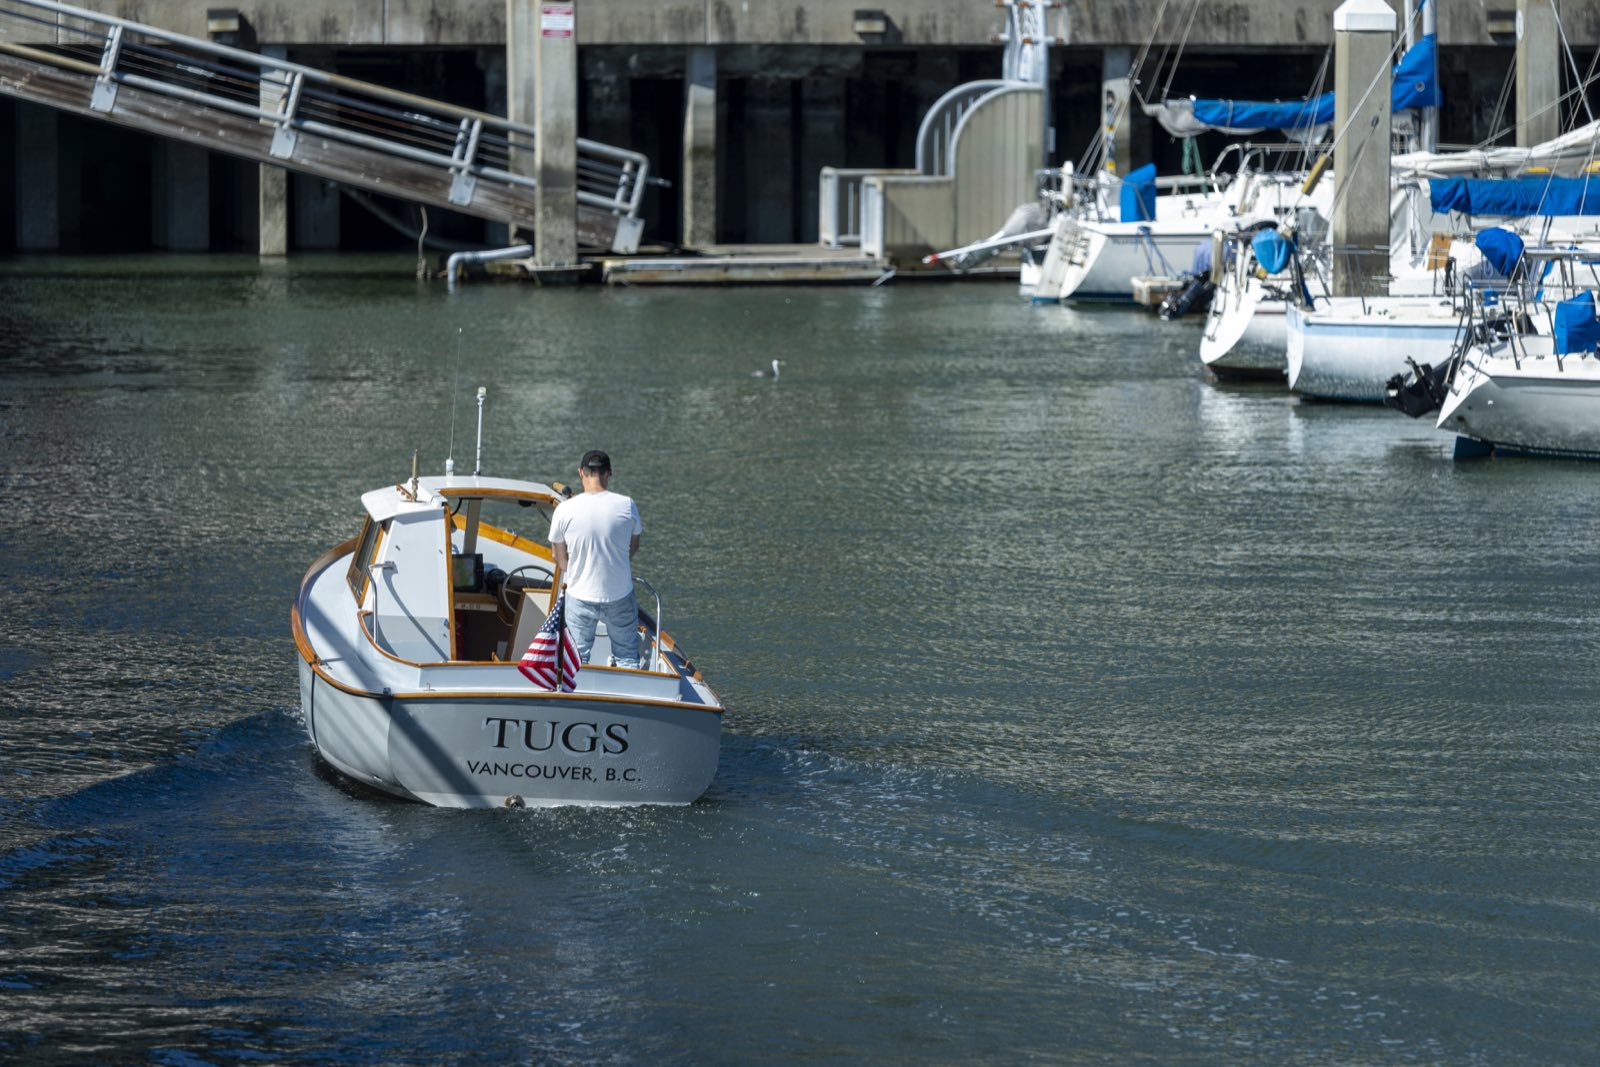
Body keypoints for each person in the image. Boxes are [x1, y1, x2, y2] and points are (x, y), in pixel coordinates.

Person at [547, 449, 643, 669]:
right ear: (608, 473)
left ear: (581, 473)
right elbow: (633, 546)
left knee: (576, 661)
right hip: (619, 595)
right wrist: (615, 562)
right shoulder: (627, 505)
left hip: (580, 594)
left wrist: (576, 571)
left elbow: (557, 556)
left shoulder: (564, 510)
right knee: (627, 657)